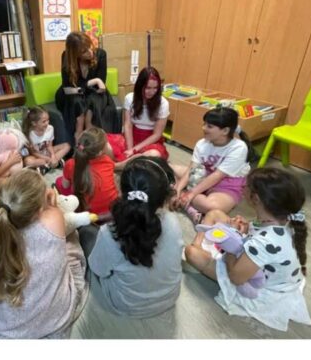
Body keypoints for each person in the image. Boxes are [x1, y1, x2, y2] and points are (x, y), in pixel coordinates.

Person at [184, 167, 311, 332]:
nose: (243, 188)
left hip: (258, 286)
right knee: (215, 213)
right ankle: (200, 243)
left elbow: (237, 278)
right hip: (261, 264)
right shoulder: (284, 220)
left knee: (191, 253)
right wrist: (245, 229)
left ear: (256, 199)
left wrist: (230, 241)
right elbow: (259, 232)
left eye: (246, 186)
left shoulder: (263, 242)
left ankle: (198, 247)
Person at [0, 169, 88, 338]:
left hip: (5, 325)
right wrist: (50, 199)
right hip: (55, 317)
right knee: (71, 238)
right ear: (38, 210)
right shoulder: (54, 219)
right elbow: (55, 210)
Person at [88, 157, 184, 318]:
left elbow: (98, 269)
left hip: (127, 304)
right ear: (163, 195)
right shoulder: (173, 222)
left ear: (122, 192)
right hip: (170, 297)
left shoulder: (109, 232)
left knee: (87, 234)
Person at [173, 106, 255, 222]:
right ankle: (183, 195)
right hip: (205, 175)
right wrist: (177, 190)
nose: (204, 128)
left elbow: (218, 176)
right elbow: (192, 169)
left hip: (228, 183)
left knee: (211, 206)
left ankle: (185, 200)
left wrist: (189, 194)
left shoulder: (239, 147)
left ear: (225, 131)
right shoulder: (202, 143)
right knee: (170, 169)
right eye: (204, 124)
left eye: (209, 126)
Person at [54, 31, 117, 142]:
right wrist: (94, 81)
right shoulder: (66, 56)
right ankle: (77, 134)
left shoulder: (101, 54)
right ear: (75, 54)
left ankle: (89, 133)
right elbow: (67, 86)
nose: (90, 52)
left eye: (89, 46)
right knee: (77, 101)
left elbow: (100, 85)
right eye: (84, 51)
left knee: (93, 100)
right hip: (72, 93)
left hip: (93, 92)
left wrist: (95, 82)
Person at [107, 67, 170, 162]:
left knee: (153, 155)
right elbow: (128, 125)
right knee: (103, 143)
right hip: (131, 137)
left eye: (155, 88)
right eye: (148, 88)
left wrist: (135, 150)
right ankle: (128, 163)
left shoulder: (163, 103)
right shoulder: (129, 98)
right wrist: (130, 148)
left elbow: (157, 134)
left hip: (151, 141)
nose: (152, 92)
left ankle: (124, 164)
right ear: (140, 86)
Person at [55, 127, 118, 218]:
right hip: (110, 212)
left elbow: (65, 186)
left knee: (59, 181)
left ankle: (71, 208)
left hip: (86, 214)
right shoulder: (107, 161)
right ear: (100, 152)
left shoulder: (70, 164)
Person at [22, 106, 71, 172]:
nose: (47, 123)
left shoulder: (50, 128)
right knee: (27, 161)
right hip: (37, 156)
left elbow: (49, 146)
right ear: (34, 123)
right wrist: (47, 159)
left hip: (47, 152)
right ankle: (54, 163)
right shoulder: (29, 134)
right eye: (44, 121)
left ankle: (47, 165)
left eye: (48, 120)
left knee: (67, 146)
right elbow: (33, 152)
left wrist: (53, 156)